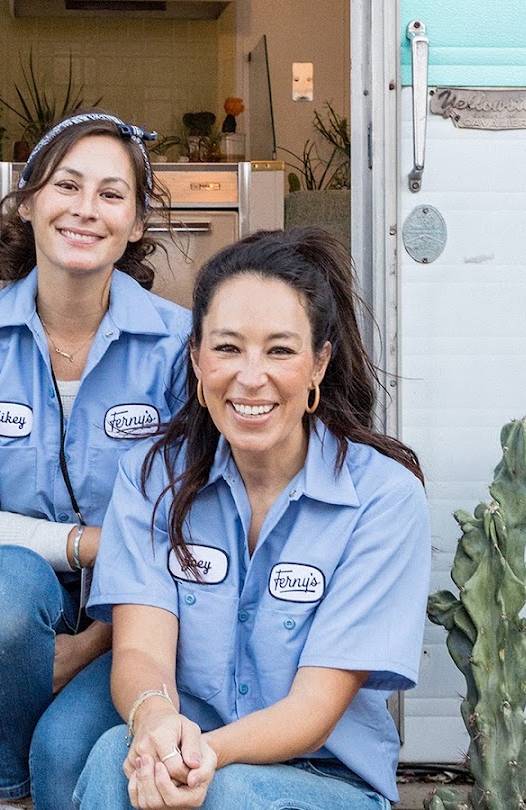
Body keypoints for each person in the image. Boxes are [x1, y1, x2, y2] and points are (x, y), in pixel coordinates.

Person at [73, 226, 430, 809]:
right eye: (227, 347)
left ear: (319, 365)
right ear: (195, 358)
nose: (250, 375)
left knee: (227, 794)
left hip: (327, 780)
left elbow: (314, 711)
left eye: (281, 350)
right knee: (116, 759)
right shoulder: (151, 475)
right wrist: (157, 723)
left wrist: (203, 757)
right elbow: (141, 651)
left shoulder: (383, 499)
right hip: (191, 749)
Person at [0, 111, 193, 810]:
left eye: (111, 194)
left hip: (140, 610)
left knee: (64, 752)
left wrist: (97, 643)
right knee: (2, 584)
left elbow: (189, 522)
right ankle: (12, 796)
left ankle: (43, 777)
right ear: (29, 201)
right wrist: (92, 543)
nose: (85, 209)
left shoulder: (179, 344)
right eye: (68, 185)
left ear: (134, 223)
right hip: (18, 602)